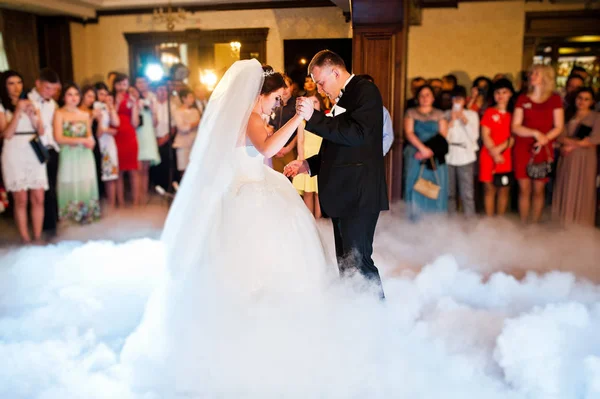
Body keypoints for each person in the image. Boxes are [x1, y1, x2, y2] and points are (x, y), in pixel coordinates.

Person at [120, 61, 333, 389]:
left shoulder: (253, 117)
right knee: (253, 260)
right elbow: (267, 148)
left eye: (283, 102)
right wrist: (298, 118)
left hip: (258, 185)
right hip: (248, 195)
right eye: (277, 99)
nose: (278, 106)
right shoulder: (248, 117)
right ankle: (254, 325)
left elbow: (263, 154)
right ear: (260, 94)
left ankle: (275, 320)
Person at [284, 50, 389, 299]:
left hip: (359, 193)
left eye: (321, 82)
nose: (319, 89)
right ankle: (356, 318)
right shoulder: (342, 98)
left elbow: (356, 134)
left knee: (359, 263)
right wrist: (308, 165)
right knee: (346, 265)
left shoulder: (365, 91)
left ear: (336, 71)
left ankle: (377, 322)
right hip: (345, 194)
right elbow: (338, 146)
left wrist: (314, 118)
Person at [512, 64, 564, 224]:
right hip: (523, 147)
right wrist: (535, 133)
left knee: (539, 190)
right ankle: (523, 224)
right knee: (524, 188)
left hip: (544, 148)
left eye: (536, 73)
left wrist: (544, 139)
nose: (532, 76)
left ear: (546, 77)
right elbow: (515, 126)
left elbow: (559, 126)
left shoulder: (555, 99)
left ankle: (534, 225)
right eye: (532, 73)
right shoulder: (523, 98)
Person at [0, 70, 47, 244]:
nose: (16, 87)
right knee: (21, 199)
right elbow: (6, 133)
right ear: (4, 86)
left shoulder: (33, 103)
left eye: (19, 82)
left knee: (38, 196)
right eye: (11, 83)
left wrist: (32, 115)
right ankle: (25, 239)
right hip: (14, 150)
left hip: (33, 149)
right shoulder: (2, 105)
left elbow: (41, 130)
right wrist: (18, 111)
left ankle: (37, 236)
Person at [553, 87, 600, 226]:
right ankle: (562, 222)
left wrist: (572, 145)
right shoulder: (568, 115)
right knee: (565, 187)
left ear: (592, 102)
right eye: (580, 98)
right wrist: (566, 144)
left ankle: (581, 225)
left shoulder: (596, 117)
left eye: (586, 99)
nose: (582, 102)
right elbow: (559, 135)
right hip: (567, 158)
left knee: (583, 188)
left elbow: (594, 139)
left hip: (585, 159)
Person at [53, 83, 100, 223]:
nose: (74, 98)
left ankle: (87, 217)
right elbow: (58, 137)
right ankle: (69, 219)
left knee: (86, 182)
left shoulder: (85, 114)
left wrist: (91, 142)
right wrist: (81, 140)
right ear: (64, 97)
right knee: (68, 182)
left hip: (84, 154)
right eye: (70, 94)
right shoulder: (59, 113)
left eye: (76, 94)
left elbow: (89, 135)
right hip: (68, 154)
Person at [402, 85, 449, 219]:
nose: (424, 98)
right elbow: (409, 133)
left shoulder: (440, 114)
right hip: (415, 153)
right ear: (417, 98)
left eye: (428, 95)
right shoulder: (411, 112)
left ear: (433, 98)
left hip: (435, 153)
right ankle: (413, 220)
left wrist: (429, 151)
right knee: (414, 185)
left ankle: (436, 221)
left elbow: (443, 135)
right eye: (421, 95)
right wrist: (422, 149)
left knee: (436, 186)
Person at [29, 68, 60, 237]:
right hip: (34, 149)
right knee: (38, 190)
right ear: (38, 83)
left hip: (51, 148)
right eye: (47, 88)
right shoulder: (28, 100)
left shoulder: (53, 104)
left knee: (52, 187)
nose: (51, 92)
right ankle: (41, 228)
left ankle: (52, 225)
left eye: (54, 89)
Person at [479, 78, 515, 217]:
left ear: (510, 94)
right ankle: (489, 221)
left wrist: (499, 150)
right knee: (489, 188)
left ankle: (500, 220)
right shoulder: (489, 112)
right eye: (497, 92)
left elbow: (513, 137)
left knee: (504, 188)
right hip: (488, 153)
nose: (500, 95)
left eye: (504, 92)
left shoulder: (514, 114)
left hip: (505, 155)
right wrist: (494, 153)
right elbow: (485, 134)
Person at [444, 85, 479, 217]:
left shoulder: (472, 115)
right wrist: (452, 120)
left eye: (459, 99)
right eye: (454, 99)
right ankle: (450, 222)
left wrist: (463, 119)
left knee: (467, 193)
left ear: (465, 100)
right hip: (449, 155)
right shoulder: (446, 114)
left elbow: (474, 137)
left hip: (466, 155)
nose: (457, 102)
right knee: (449, 193)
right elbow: (444, 136)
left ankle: (470, 224)